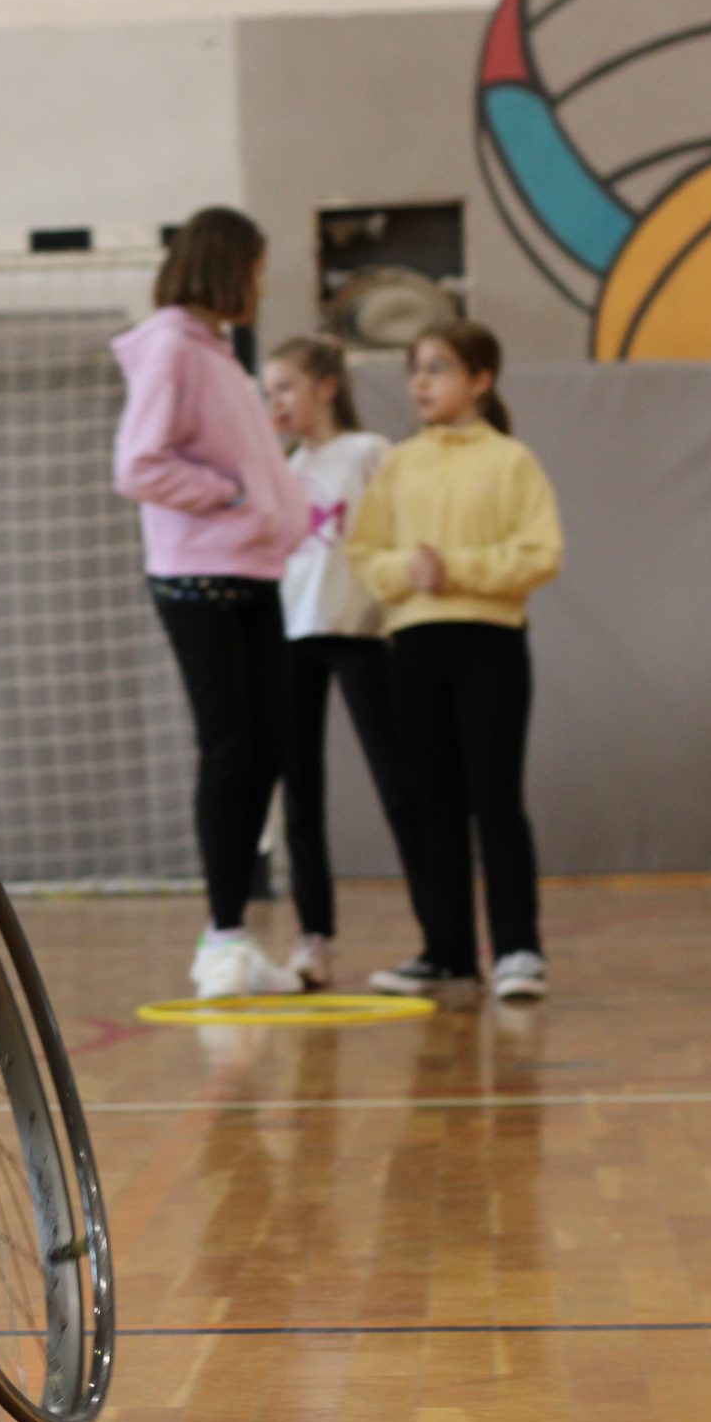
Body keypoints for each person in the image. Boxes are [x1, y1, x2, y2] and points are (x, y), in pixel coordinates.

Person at [112, 208, 307, 999]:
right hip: (200, 576)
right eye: (256, 267)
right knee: (230, 748)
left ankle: (233, 933)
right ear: (228, 264)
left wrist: (269, 504)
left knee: (266, 747)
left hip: (251, 571)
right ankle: (221, 938)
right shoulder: (170, 346)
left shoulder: (217, 352)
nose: (261, 283)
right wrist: (230, 496)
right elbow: (139, 464)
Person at [345, 322, 560, 1002]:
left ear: (480, 379)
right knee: (432, 805)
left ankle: (518, 951)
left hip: (489, 644)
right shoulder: (399, 464)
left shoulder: (511, 460)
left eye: (437, 367)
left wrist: (457, 569)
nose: (421, 381)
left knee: (495, 800)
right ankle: (447, 954)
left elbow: (541, 551)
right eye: (415, 368)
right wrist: (405, 571)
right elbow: (364, 552)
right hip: (413, 646)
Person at [262, 337, 425, 989]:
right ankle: (315, 938)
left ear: (326, 386)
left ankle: (438, 933)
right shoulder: (283, 466)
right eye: (268, 391)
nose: (275, 402)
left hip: (361, 632)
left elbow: (402, 527)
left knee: (399, 783)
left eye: (285, 387)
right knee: (300, 792)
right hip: (291, 638)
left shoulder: (368, 452)